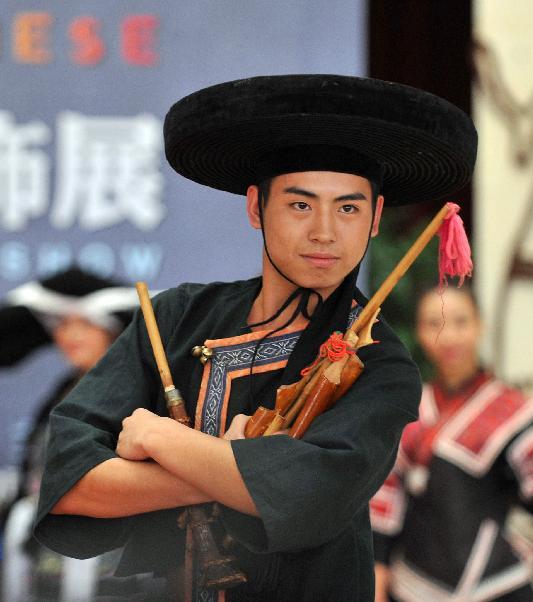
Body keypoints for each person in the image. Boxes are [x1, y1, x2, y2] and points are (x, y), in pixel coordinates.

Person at [33, 74, 478, 601]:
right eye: (299, 204)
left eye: (349, 207)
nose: (325, 232)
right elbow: (71, 484)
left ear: (376, 218)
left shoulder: (380, 362)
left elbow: (307, 496)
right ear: (255, 207)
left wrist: (163, 440)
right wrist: (224, 464)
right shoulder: (177, 316)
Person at [370, 285, 533, 602]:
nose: (448, 336)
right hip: (415, 586)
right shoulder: (406, 410)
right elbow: (384, 510)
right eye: (434, 323)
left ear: (479, 326)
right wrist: (377, 584)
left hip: (498, 585)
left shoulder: (513, 410)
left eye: (460, 322)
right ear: (418, 331)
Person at [0, 267, 139, 601]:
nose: (71, 335)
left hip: (106, 550)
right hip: (46, 553)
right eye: (61, 323)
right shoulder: (63, 391)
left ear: (114, 328)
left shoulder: (136, 393)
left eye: (86, 323)